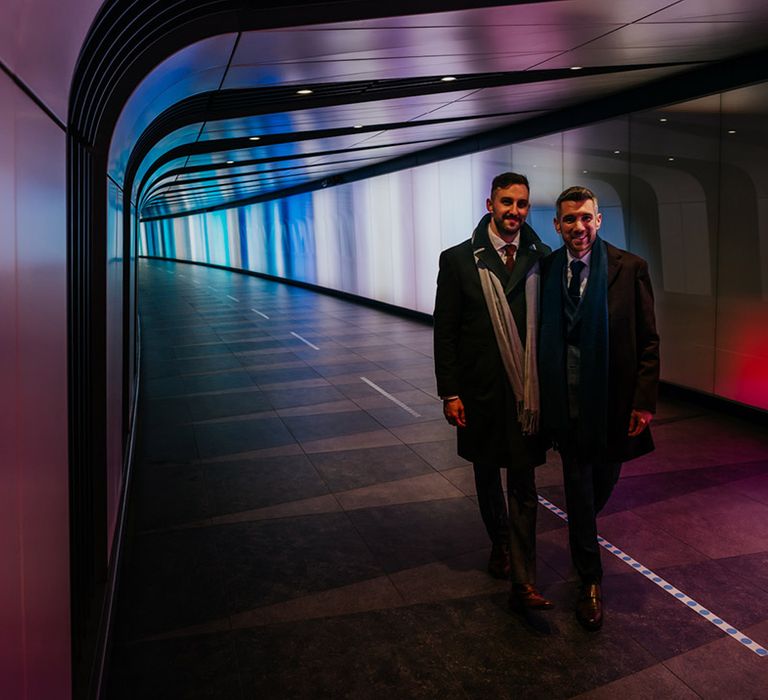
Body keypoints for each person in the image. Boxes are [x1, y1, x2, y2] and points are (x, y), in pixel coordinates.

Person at [539, 186, 660, 630]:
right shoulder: (549, 269)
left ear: (599, 219)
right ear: (557, 225)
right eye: (569, 219)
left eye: (586, 217)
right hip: (566, 404)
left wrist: (644, 402)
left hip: (611, 402)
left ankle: (583, 529)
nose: (579, 227)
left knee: (602, 483)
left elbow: (648, 340)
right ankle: (590, 580)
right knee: (578, 488)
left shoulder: (630, 269)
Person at [433, 172, 553, 611]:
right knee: (486, 473)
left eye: (522, 204)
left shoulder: (543, 257)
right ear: (490, 204)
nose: (515, 212)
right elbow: (444, 331)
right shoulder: (460, 260)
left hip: (527, 396)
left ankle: (524, 576)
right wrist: (450, 392)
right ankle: (500, 541)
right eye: (507, 202)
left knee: (523, 481)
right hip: (480, 390)